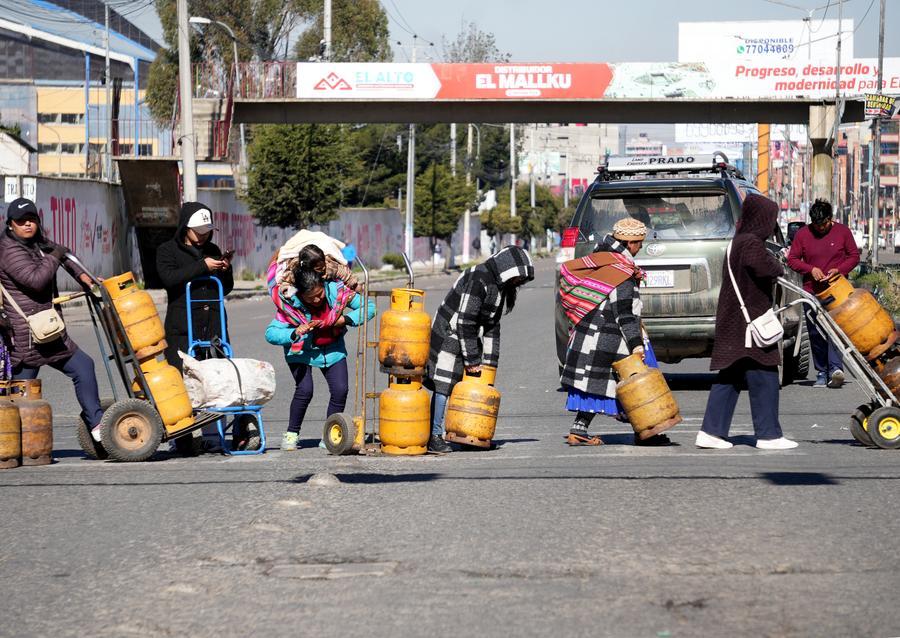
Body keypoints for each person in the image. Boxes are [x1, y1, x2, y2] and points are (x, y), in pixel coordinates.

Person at [696, 193, 798, 451]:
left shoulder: (737, 241)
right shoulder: (751, 243)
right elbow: (766, 268)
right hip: (748, 324)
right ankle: (768, 435)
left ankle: (711, 432)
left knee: (730, 376)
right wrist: (778, 265)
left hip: (735, 321)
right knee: (764, 373)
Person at [0, 198, 104, 441]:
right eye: (21, 221)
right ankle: (13, 441)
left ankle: (98, 427)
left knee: (84, 366)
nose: (27, 225)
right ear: (11, 224)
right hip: (26, 337)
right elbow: (37, 280)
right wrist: (54, 256)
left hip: (49, 331)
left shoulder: (37, 243)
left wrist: (85, 278)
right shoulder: (8, 250)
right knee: (20, 396)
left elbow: (65, 256)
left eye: (31, 220)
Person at [559, 218, 669, 446]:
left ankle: (579, 429)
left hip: (589, 333)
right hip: (609, 335)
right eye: (639, 243)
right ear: (629, 243)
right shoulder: (621, 270)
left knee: (595, 383)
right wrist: (636, 344)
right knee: (639, 380)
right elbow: (624, 312)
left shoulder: (600, 259)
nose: (640, 248)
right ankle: (647, 429)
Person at [424, 246, 534, 453]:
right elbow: (465, 321)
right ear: (507, 269)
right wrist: (473, 360)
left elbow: (492, 325)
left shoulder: (500, 288)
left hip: (468, 333)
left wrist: (490, 365)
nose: (518, 283)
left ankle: (466, 433)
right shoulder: (479, 279)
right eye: (518, 278)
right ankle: (434, 436)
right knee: (444, 384)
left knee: (470, 385)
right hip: (450, 331)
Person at [265, 268, 375, 451]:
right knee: (305, 390)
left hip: (332, 347)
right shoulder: (290, 304)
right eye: (310, 297)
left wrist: (344, 319)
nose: (316, 300)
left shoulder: (336, 293)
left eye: (319, 294)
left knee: (340, 390)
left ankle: (329, 434)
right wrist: (294, 332)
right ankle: (292, 433)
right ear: (300, 294)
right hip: (301, 351)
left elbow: (369, 307)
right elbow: (271, 333)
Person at [787, 198, 859, 388]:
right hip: (811, 292)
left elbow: (854, 256)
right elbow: (792, 259)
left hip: (838, 290)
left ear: (830, 219)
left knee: (835, 330)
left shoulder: (843, 232)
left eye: (824, 224)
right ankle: (821, 371)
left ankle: (836, 369)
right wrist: (810, 269)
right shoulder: (803, 234)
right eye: (816, 225)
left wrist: (840, 270)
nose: (820, 228)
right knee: (816, 332)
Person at [156, 202, 234, 371]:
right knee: (184, 379)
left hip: (214, 325)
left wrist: (226, 270)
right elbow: (168, 279)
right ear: (185, 227)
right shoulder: (167, 250)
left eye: (206, 231)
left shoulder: (212, 249)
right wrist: (202, 266)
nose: (203, 236)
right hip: (183, 326)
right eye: (198, 231)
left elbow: (225, 288)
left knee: (217, 380)